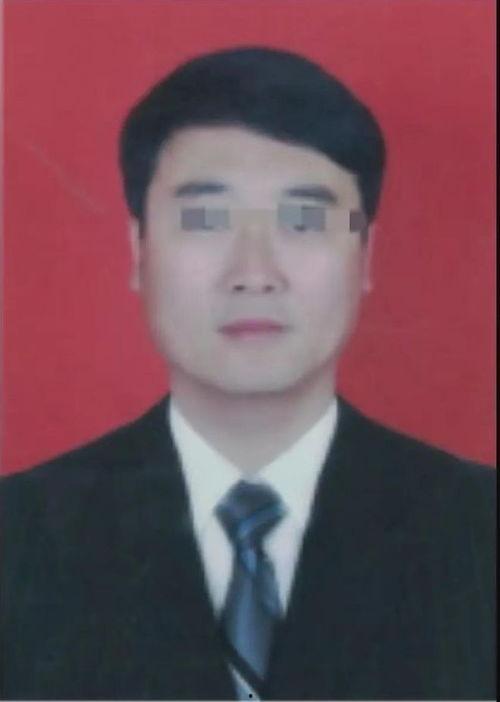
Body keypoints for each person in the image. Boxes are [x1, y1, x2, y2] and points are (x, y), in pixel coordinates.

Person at [0, 46, 495, 701]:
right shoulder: (18, 537)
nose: (254, 273)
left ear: (365, 255)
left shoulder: (479, 533)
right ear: (138, 250)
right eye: (205, 219)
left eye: (303, 220)